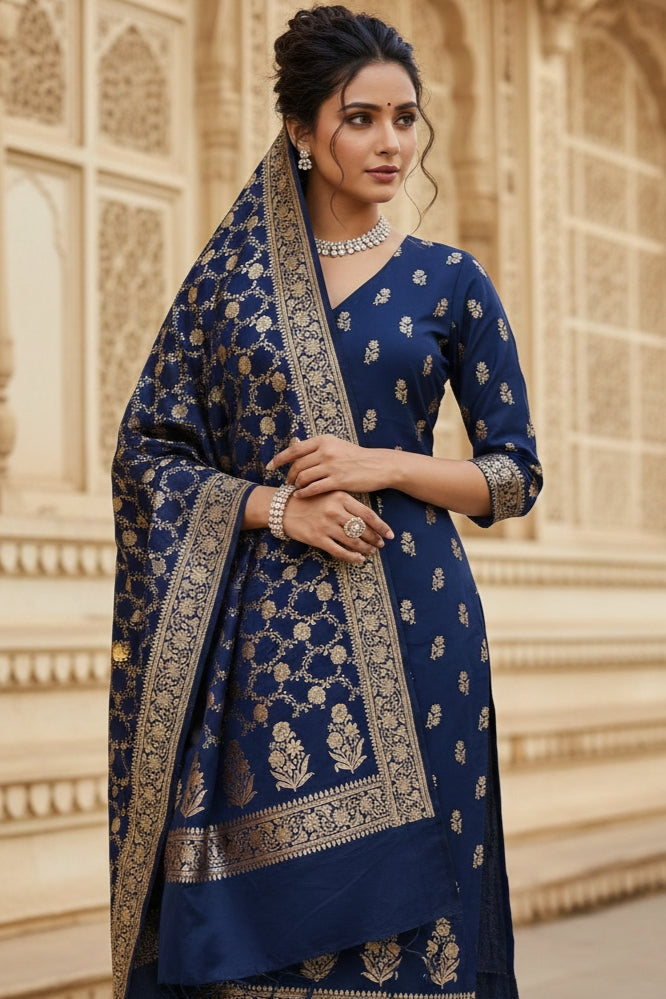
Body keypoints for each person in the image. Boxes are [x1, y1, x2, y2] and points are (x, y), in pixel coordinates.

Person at [108, 6, 542, 999]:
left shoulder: (450, 282)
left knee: (424, 914)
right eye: (361, 119)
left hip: (417, 623)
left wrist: (383, 465)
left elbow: (514, 474)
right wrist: (273, 509)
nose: (391, 143)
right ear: (302, 132)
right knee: (268, 939)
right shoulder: (225, 291)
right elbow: (145, 453)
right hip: (259, 651)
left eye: (406, 119)